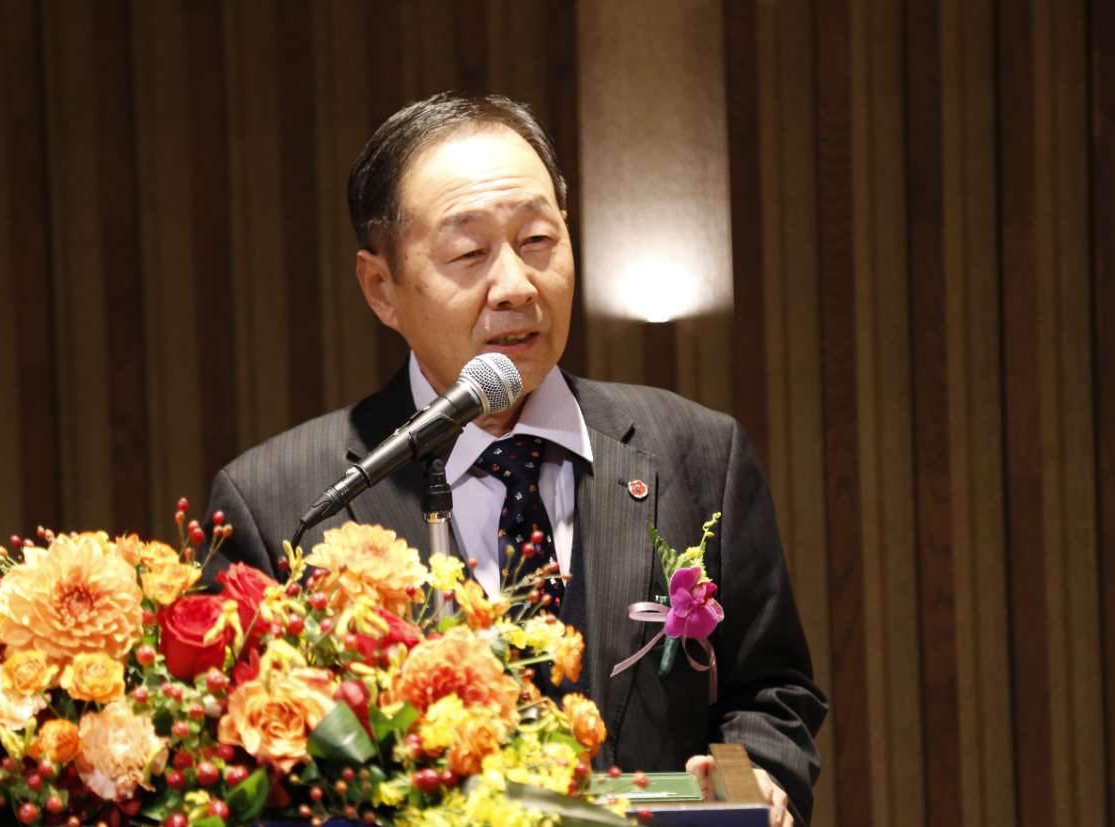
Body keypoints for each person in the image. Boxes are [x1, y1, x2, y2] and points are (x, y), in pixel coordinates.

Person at [202, 93, 825, 827]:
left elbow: (771, 692)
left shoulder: (697, 451)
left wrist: (756, 776)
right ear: (381, 288)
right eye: (469, 254)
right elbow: (241, 765)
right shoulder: (279, 501)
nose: (517, 286)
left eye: (537, 239)